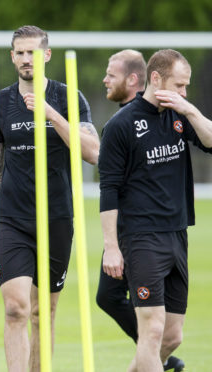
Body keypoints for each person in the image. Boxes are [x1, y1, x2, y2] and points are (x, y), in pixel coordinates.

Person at [99, 49, 212, 372]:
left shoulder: (180, 115)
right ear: (157, 79)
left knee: (172, 336)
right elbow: (109, 190)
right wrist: (111, 248)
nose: (184, 92)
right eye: (180, 85)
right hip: (141, 238)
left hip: (177, 234)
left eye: (187, 86)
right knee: (151, 330)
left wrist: (188, 109)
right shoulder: (121, 125)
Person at [0, 25, 99, 372]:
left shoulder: (69, 97)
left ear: (46, 55)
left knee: (43, 312)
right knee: (16, 309)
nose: (27, 59)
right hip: (12, 219)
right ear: (12, 57)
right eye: (21, 53)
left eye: (33, 52)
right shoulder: (0, 102)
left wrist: (51, 115)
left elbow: (93, 153)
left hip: (56, 217)